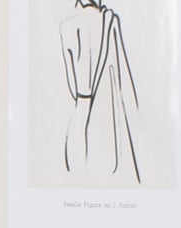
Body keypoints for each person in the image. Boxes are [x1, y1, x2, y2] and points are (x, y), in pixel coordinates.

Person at [60, 0, 141, 183]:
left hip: (80, 111)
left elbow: (73, 87)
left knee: (77, 179)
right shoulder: (110, 21)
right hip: (104, 118)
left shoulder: (67, 27)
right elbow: (121, 76)